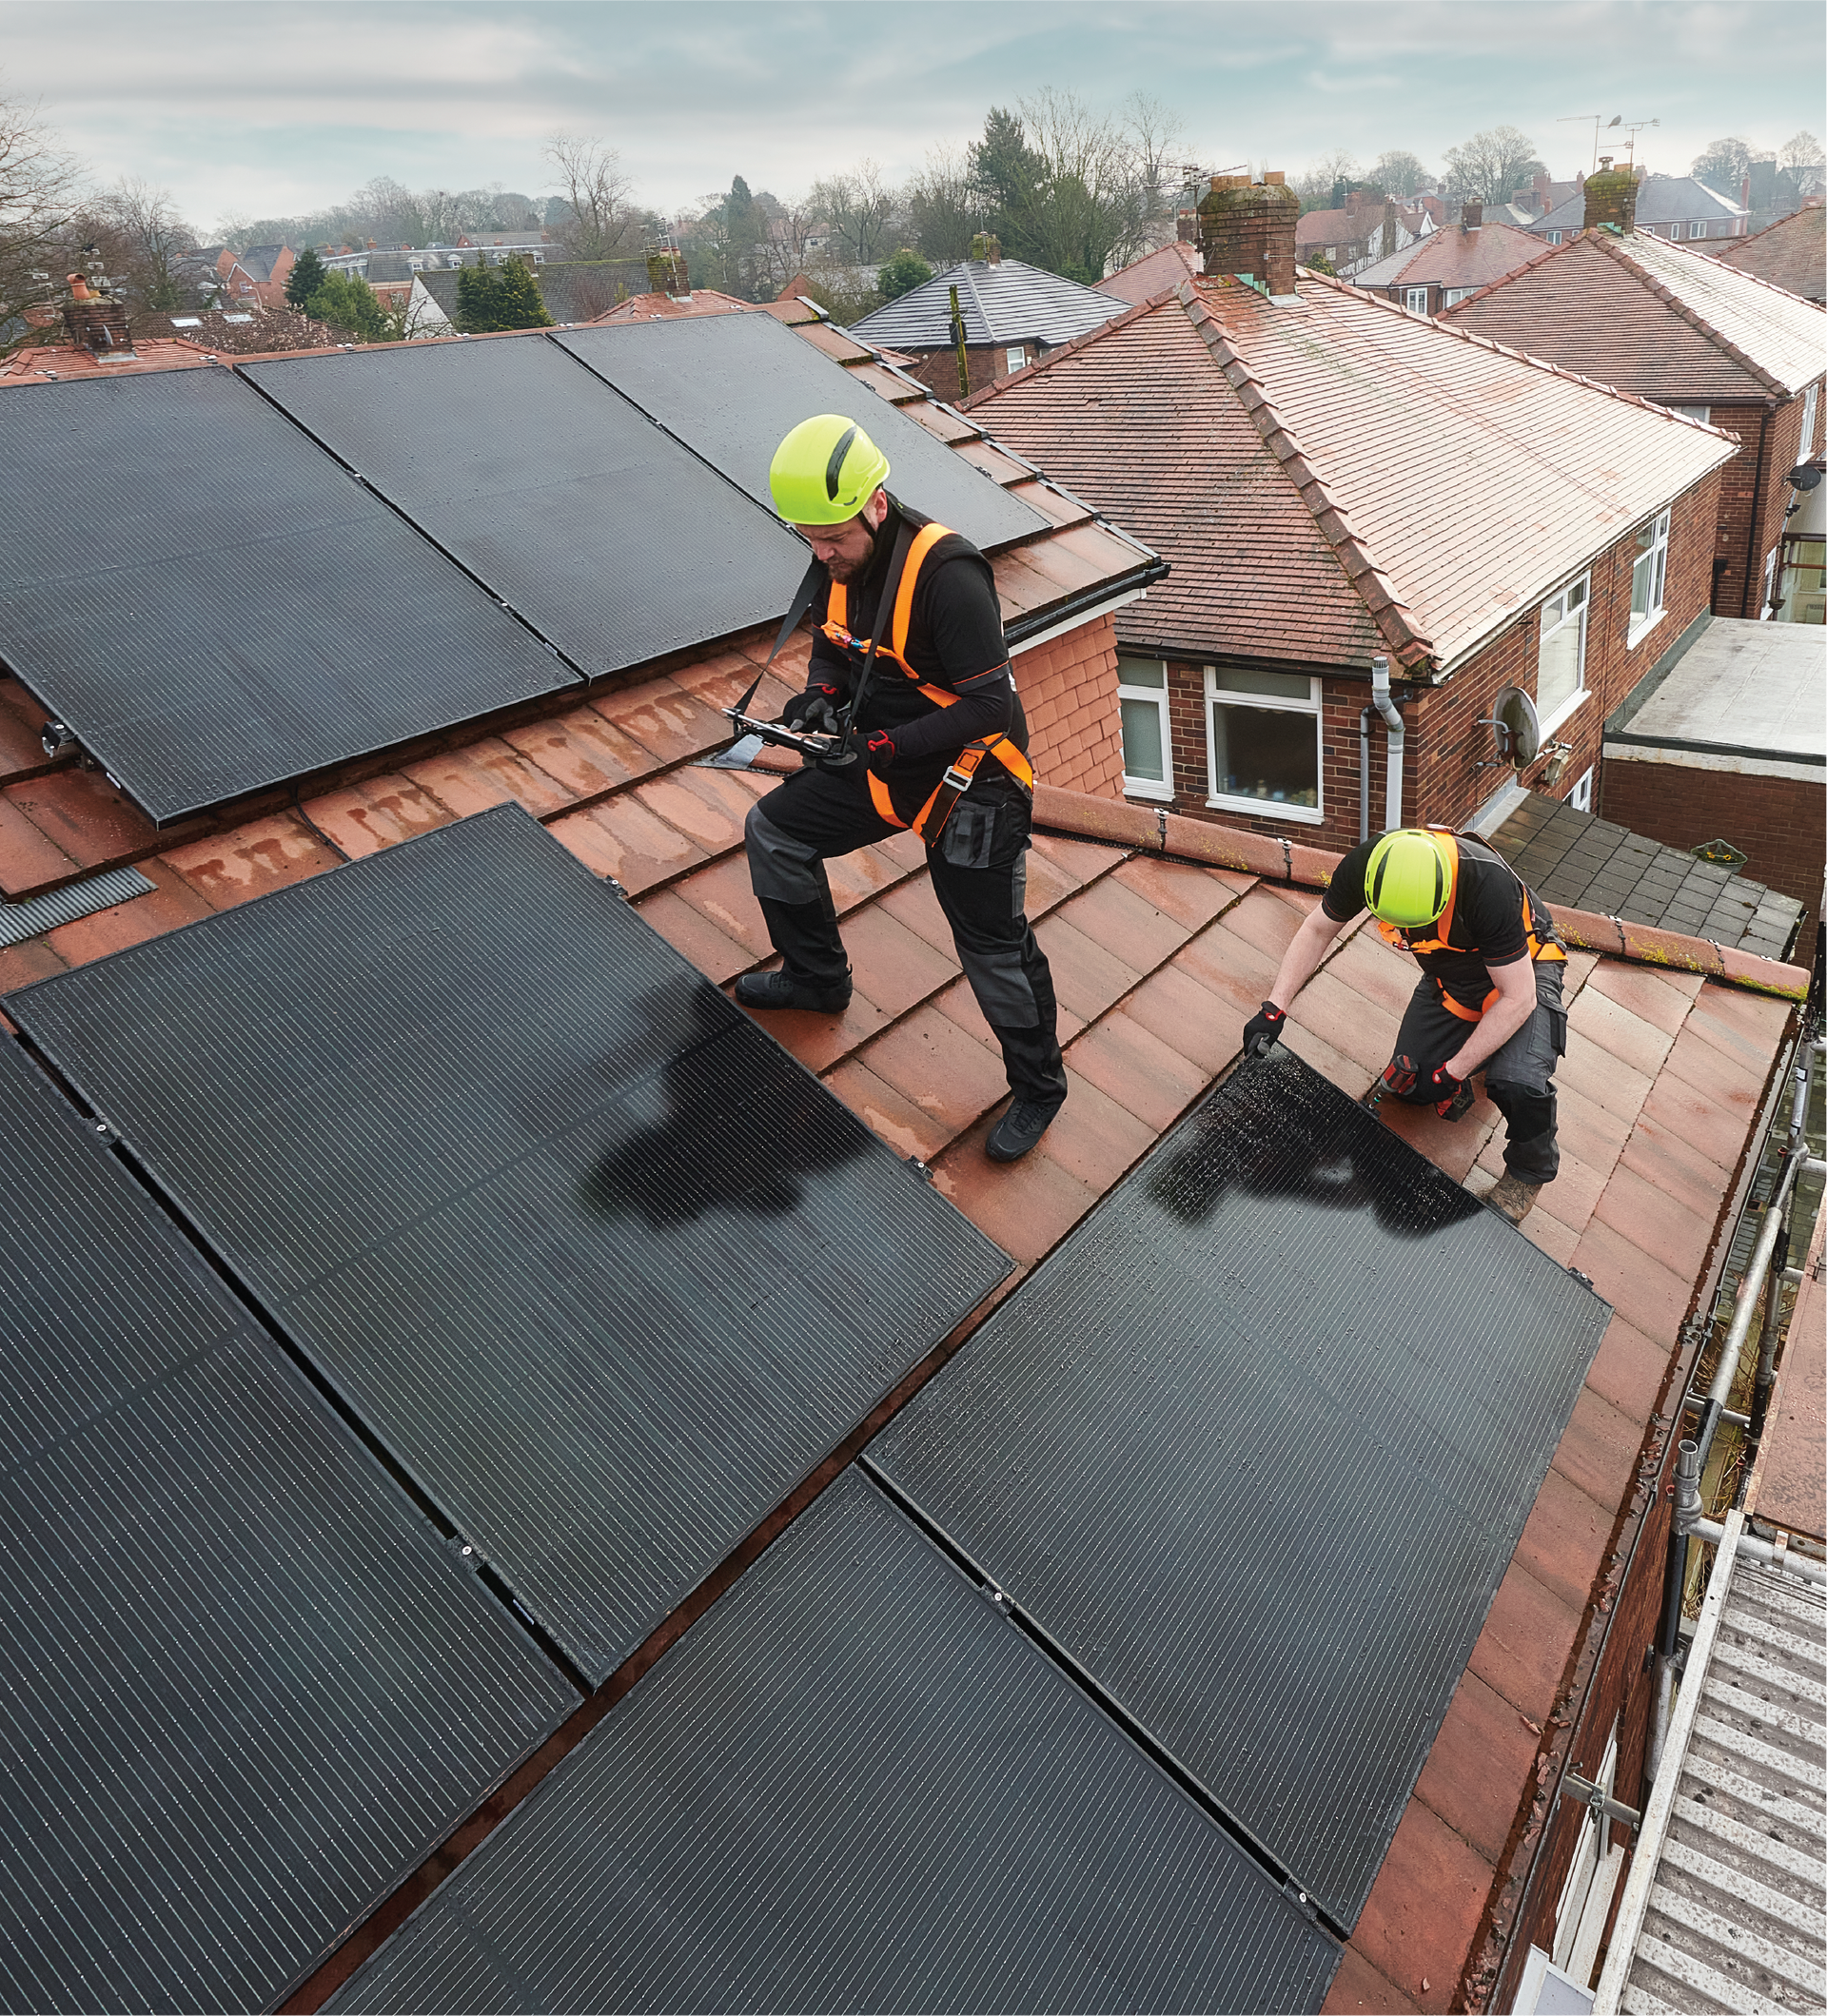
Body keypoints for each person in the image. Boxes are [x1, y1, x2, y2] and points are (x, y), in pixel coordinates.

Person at [735, 413, 1067, 1164]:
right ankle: (818, 979)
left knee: (990, 944)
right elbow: (833, 639)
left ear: (876, 506)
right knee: (775, 834)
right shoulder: (836, 558)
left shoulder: (948, 576)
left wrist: (878, 744)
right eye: (808, 539)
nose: (821, 554)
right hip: (881, 768)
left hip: (973, 783)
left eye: (834, 539)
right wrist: (821, 693)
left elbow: (989, 705)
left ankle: (1041, 1086)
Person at [1240, 827, 1567, 1223]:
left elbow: (1517, 997)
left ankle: (1528, 1172)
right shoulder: (1369, 865)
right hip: (1452, 979)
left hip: (1526, 969)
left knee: (1517, 1080)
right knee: (1412, 1086)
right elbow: (1317, 928)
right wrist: (1275, 1008)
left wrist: (1453, 1072)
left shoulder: (1485, 884)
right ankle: (1486, 1044)